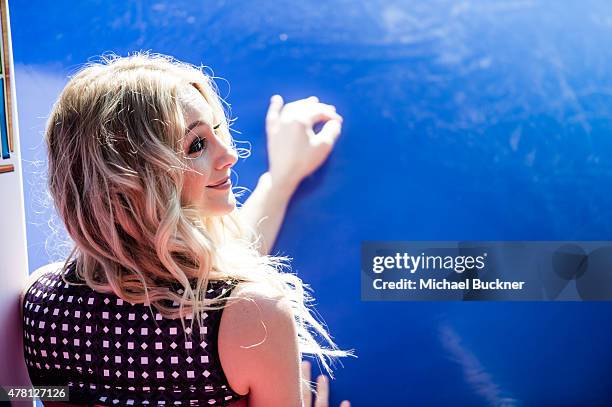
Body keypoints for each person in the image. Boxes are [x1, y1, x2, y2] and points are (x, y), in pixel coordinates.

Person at [20, 51, 353, 406]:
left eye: (218, 131)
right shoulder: (252, 315)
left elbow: (29, 395)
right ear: (133, 181)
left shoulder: (40, 304)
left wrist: (280, 181)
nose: (230, 154)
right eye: (196, 145)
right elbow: (213, 304)